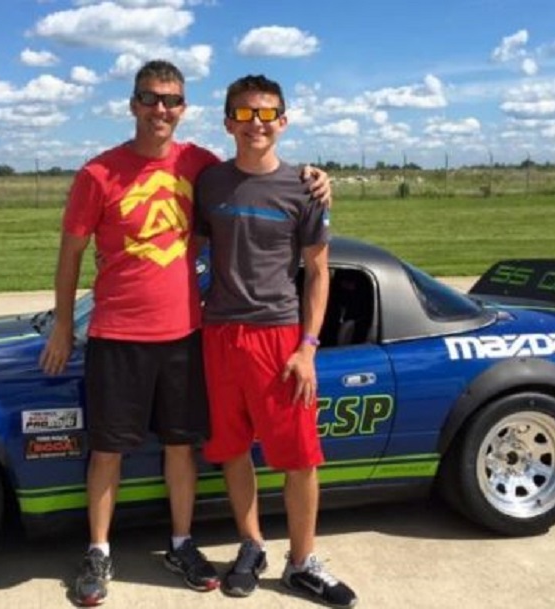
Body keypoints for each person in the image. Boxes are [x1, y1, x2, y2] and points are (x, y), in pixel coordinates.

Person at [38, 60, 331, 607]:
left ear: (184, 108)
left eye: (171, 100)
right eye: (150, 98)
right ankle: (98, 551)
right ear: (133, 104)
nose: (161, 109)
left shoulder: (199, 164)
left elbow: (261, 179)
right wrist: (61, 325)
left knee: (182, 448)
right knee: (108, 449)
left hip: (188, 335)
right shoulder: (100, 174)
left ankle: (183, 544)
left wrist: (315, 177)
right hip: (119, 333)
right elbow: (71, 254)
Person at [194, 74, 357, 608]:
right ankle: (252, 545)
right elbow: (188, 252)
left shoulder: (304, 188)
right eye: (244, 114)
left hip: (279, 337)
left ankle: (302, 562)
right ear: (228, 122)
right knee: (232, 449)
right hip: (220, 334)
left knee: (300, 458)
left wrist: (307, 346)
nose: (255, 124)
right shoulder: (210, 183)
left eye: (266, 114)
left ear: (282, 122)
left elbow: (319, 273)